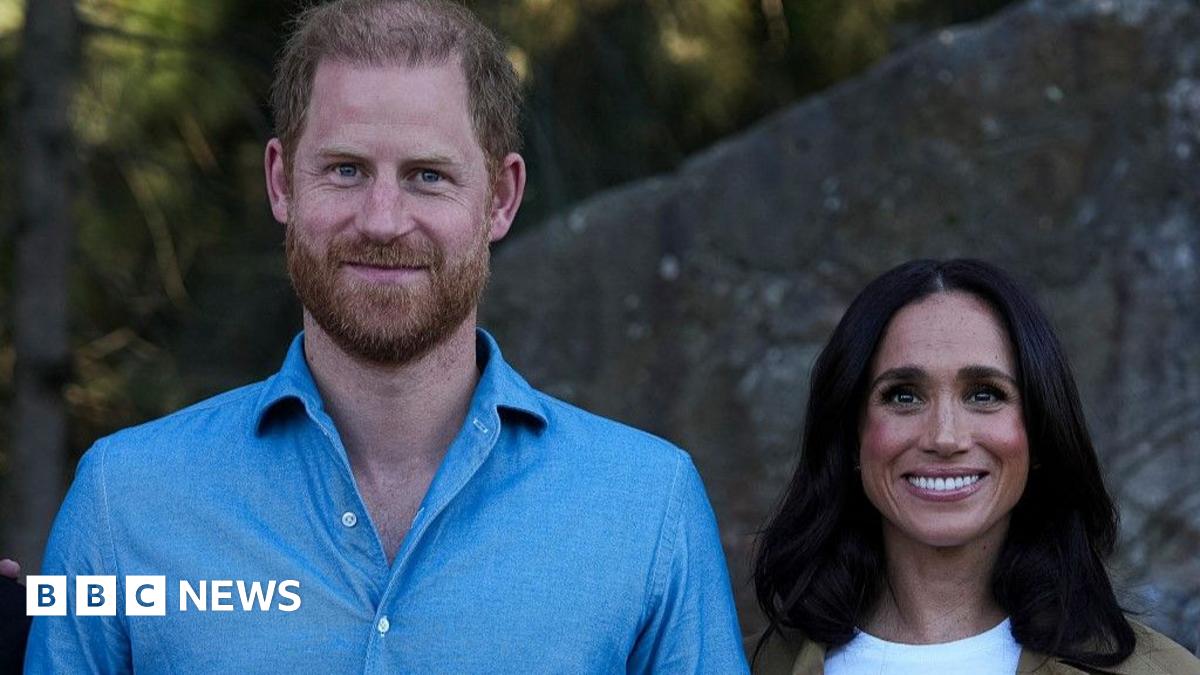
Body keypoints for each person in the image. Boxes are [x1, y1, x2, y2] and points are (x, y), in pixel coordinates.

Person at [23, 1, 746, 672]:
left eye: (428, 176)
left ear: (501, 198)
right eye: (345, 169)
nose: (381, 219)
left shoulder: (649, 510)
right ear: (281, 183)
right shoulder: (124, 504)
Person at [750, 259, 1200, 674]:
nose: (945, 437)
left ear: (1042, 432)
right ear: (851, 436)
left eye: (984, 394)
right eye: (903, 395)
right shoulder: (738, 664)